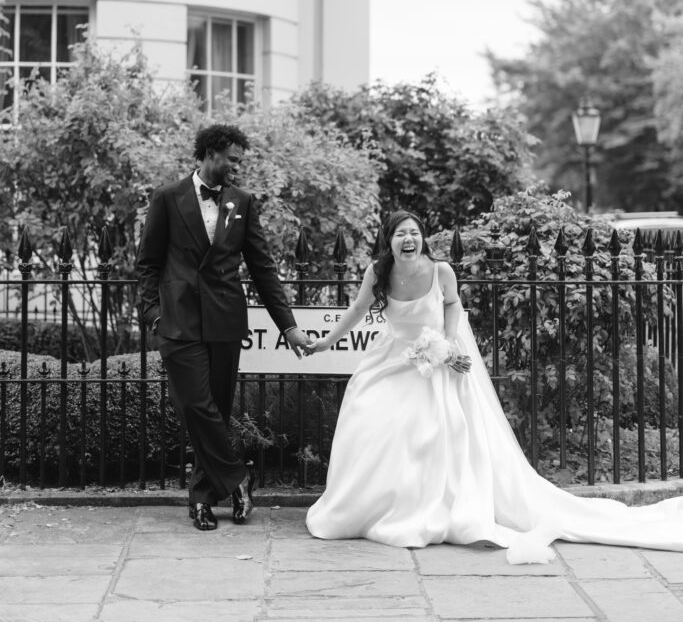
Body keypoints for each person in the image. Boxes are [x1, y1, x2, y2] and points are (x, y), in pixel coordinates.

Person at [305, 210, 683, 562]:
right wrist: (326, 341)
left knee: (430, 431)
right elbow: (357, 309)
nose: (409, 239)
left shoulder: (440, 271)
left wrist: (447, 344)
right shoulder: (377, 272)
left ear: (422, 239)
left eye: (414, 233)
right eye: (401, 234)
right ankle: (376, 506)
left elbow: (452, 305)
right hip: (392, 359)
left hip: (438, 361)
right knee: (369, 418)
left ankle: (429, 508)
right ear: (388, 241)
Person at [137, 123, 311, 531]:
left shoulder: (243, 202)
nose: (237, 166)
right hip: (178, 322)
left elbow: (263, 268)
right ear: (210, 153)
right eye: (232, 159)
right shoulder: (167, 197)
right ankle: (238, 479)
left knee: (214, 410)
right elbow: (147, 263)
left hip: (224, 321)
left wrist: (287, 327)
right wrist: (153, 315)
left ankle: (201, 499)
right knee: (195, 406)